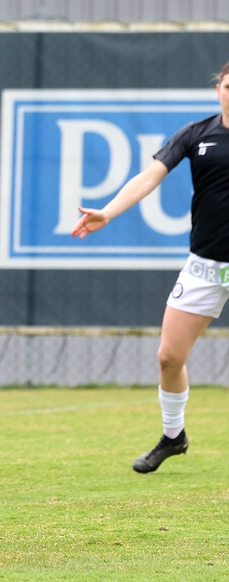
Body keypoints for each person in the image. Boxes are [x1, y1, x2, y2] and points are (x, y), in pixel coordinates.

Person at [71, 61, 229, 474]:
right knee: (168, 357)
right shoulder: (196, 134)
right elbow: (149, 177)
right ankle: (173, 437)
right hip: (206, 266)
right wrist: (107, 212)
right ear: (218, 89)